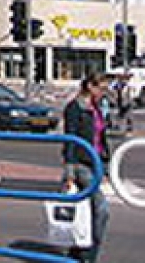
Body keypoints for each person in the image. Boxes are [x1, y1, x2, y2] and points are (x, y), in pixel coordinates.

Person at [62, 73, 111, 262]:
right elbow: (70, 140)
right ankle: (88, 256)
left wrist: (106, 163)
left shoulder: (96, 108)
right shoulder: (75, 108)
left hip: (96, 163)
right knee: (102, 209)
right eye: (101, 88)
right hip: (81, 164)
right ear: (90, 86)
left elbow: (100, 137)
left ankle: (78, 251)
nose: (103, 93)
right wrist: (69, 172)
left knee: (87, 211)